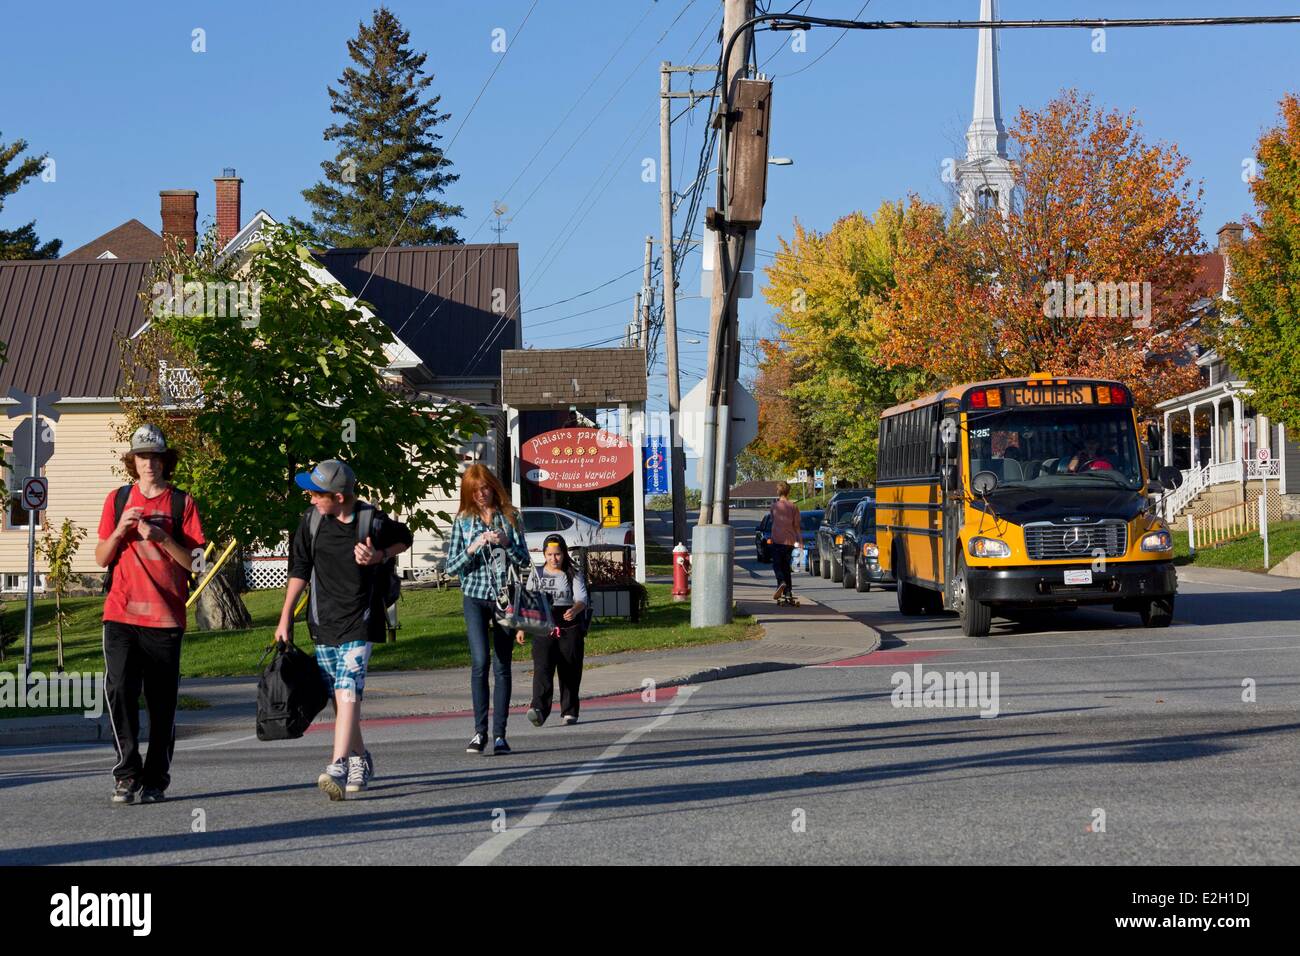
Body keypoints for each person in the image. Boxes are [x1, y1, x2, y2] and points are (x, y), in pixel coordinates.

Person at [274, 459, 412, 801]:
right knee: (340, 696)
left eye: (316, 493)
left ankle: (337, 763)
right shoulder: (310, 521)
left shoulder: (371, 520)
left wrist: (379, 555)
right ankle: (359, 759)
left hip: (361, 620)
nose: (310, 498)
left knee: (349, 687)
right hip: (323, 622)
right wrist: (285, 616)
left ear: (337, 496)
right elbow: (300, 569)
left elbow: (404, 537)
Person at [95, 424, 205, 805]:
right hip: (121, 613)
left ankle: (156, 778)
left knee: (162, 702)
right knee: (120, 691)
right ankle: (127, 773)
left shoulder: (181, 503)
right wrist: (120, 531)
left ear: (164, 461)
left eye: (155, 457)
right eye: (142, 457)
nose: (148, 464)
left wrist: (162, 539)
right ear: (133, 461)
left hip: (164, 617)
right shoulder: (117, 499)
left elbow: (197, 564)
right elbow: (100, 557)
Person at [443, 463, 531, 755]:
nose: (482, 494)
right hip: (474, 596)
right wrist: (474, 546)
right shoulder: (464, 521)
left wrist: (506, 543)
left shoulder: (511, 517)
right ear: (468, 493)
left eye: (485, 488)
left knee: (502, 665)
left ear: (494, 487)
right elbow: (451, 567)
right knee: (480, 662)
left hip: (504, 597)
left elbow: (524, 562)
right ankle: (479, 732)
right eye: (475, 490)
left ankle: (500, 735)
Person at [517, 534, 589, 727]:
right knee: (542, 669)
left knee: (570, 670)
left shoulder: (573, 573)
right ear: (544, 554)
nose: (553, 559)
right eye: (549, 554)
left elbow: (582, 599)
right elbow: (529, 603)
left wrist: (574, 609)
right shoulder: (537, 574)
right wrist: (523, 627)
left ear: (564, 554)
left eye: (557, 554)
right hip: (544, 627)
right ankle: (539, 709)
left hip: (569, 628)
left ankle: (569, 710)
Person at [768, 481, 801, 602]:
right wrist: (800, 541)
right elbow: (797, 525)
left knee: (777, 565)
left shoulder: (774, 507)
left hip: (777, 540)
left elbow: (772, 521)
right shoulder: (793, 507)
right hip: (789, 542)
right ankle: (788, 592)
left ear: (778, 491)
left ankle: (781, 582)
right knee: (786, 566)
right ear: (788, 492)